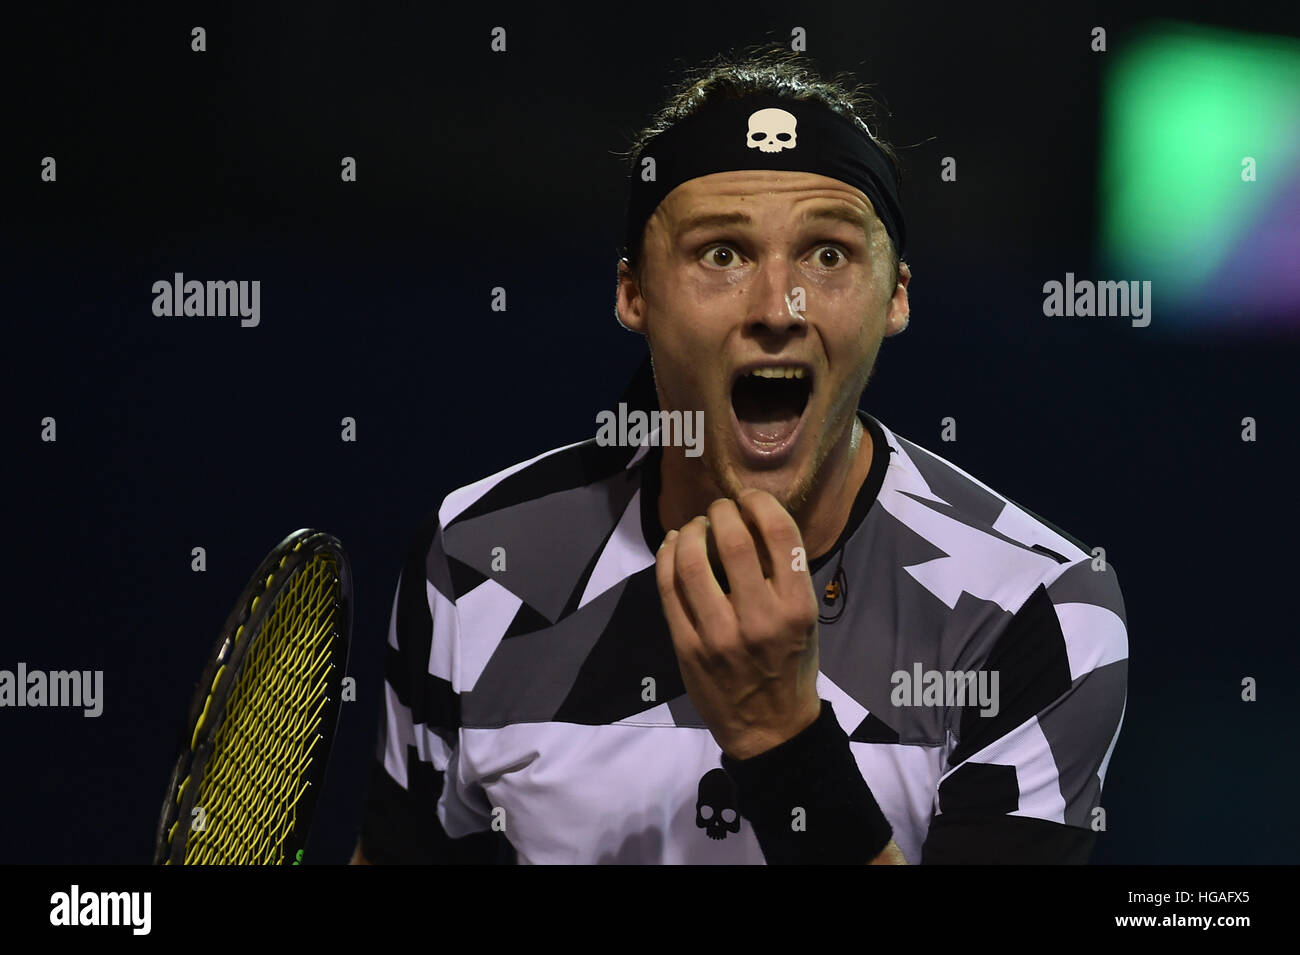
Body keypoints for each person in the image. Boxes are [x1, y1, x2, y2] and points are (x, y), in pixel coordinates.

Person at [353, 48, 1128, 865]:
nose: (777, 306)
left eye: (827, 254)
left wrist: (782, 742)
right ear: (633, 293)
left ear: (896, 295)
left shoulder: (1038, 606)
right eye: (721, 253)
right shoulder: (477, 556)